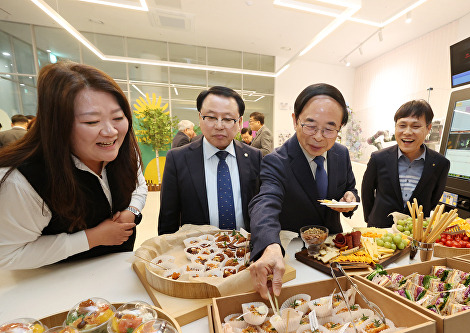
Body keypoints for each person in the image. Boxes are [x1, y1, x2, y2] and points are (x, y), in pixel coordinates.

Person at [0, 61, 147, 270]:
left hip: (115, 273)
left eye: (117, 117)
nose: (111, 132)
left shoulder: (122, 150)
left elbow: (139, 183)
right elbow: (6, 255)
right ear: (58, 125)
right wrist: (91, 238)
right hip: (56, 287)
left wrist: (132, 209)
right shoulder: (23, 180)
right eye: (92, 122)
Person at [248, 83, 358, 298]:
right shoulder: (276, 161)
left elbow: (349, 188)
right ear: (294, 120)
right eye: (310, 125)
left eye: (329, 128)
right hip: (294, 257)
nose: (319, 136)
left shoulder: (341, 154)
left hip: (333, 253)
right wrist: (270, 246)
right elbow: (265, 202)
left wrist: (350, 199)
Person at [158, 86, 261, 235]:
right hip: (196, 254)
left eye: (227, 119)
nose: (219, 126)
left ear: (239, 122)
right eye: (211, 117)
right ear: (200, 118)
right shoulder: (178, 159)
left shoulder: (254, 157)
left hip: (245, 251)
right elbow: (167, 222)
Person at [361, 99, 450, 228]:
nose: (407, 132)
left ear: (428, 128)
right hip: (379, 229)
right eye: (402, 125)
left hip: (415, 232)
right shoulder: (378, 158)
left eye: (415, 126)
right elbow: (367, 192)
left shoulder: (440, 163)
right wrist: (370, 219)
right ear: (396, 127)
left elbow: (433, 199)